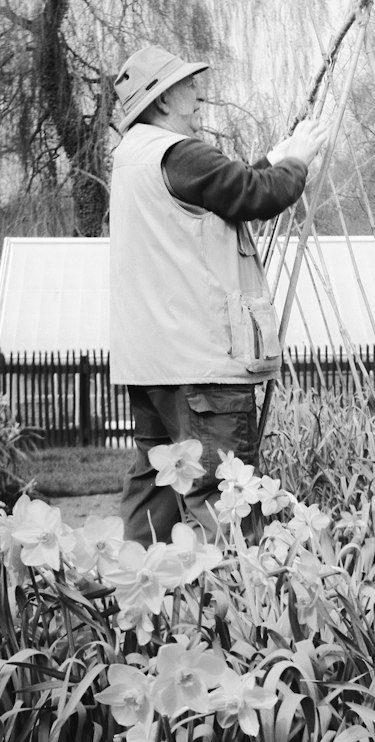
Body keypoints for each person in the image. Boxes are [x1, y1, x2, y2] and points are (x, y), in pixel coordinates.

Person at [109, 44, 330, 546]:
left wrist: (276, 157)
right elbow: (255, 195)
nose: (198, 94)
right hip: (200, 366)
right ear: (162, 100)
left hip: (152, 366)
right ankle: (237, 613)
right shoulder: (179, 152)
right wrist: (297, 161)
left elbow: (225, 190)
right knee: (224, 502)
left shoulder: (135, 157)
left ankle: (141, 607)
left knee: (156, 494)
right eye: (188, 85)